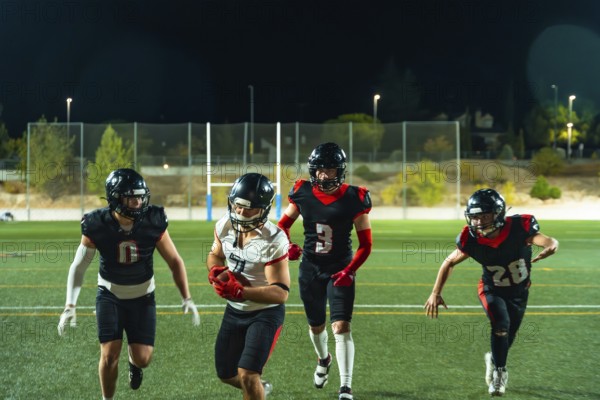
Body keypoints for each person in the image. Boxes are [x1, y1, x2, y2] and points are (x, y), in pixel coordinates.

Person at [57, 168, 200, 400]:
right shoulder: (97, 223)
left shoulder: (153, 220)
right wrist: (69, 305)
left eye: (141, 196)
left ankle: (134, 364)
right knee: (109, 355)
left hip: (143, 297)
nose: (138, 201)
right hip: (110, 295)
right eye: (131, 197)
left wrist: (187, 297)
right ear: (115, 197)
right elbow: (79, 266)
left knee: (144, 358)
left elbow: (174, 260)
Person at [424, 188, 559, 397]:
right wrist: (435, 292)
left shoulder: (519, 227)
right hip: (491, 289)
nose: (477, 222)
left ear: (497, 213)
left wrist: (552, 244)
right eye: (474, 216)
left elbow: (543, 239)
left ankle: (495, 361)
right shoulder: (471, 238)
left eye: (483, 216)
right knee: (500, 326)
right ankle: (499, 374)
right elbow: (450, 261)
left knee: (508, 336)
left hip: (520, 291)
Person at [277, 142, 372, 400]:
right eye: (321, 170)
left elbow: (366, 245)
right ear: (313, 171)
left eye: (331, 170)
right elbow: (282, 226)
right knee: (316, 326)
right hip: (310, 268)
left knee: (341, 326)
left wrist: (350, 269)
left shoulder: (355, 197)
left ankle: (345, 387)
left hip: (341, 267)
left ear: (340, 171)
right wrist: (288, 247)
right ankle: (323, 358)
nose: (325, 175)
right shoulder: (302, 192)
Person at [207, 173, 290, 400]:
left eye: (249, 208)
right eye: (237, 206)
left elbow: (280, 293)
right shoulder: (224, 225)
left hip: (265, 313)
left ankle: (255, 385)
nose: (241, 212)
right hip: (235, 311)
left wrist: (241, 291)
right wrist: (216, 271)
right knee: (225, 373)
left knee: (247, 374)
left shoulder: (274, 239)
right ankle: (259, 388)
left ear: (263, 209)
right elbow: (215, 255)